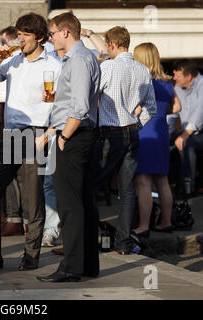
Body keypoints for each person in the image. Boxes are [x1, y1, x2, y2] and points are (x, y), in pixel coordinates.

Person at [0, 12, 61, 271]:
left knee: (33, 199)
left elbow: (57, 105)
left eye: (26, 34)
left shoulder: (53, 66)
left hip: (36, 133)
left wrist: (47, 134)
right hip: (11, 134)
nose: (21, 39)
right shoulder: (12, 61)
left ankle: (30, 254)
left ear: (38, 37)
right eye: (19, 34)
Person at [36, 11, 101, 283]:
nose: (50, 39)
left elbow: (80, 107)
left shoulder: (79, 59)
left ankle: (72, 267)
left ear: (65, 32)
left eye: (51, 33)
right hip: (77, 134)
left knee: (70, 203)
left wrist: (63, 136)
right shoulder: (79, 59)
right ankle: (85, 264)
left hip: (74, 135)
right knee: (83, 200)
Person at [85, 26, 157, 256]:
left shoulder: (108, 67)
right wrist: (137, 124)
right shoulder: (142, 69)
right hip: (131, 132)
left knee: (91, 186)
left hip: (110, 132)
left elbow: (89, 95)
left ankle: (87, 238)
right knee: (127, 190)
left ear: (112, 45)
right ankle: (123, 242)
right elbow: (151, 108)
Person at [133, 42, 182, 236]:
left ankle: (144, 226)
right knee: (162, 180)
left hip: (145, 131)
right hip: (161, 132)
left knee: (143, 181)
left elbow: (136, 108)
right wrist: (163, 111)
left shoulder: (143, 81)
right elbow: (177, 107)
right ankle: (166, 222)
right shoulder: (167, 81)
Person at [173, 59, 203, 195]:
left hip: (199, 132)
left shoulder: (202, 85)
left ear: (189, 77)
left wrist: (184, 135)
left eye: (177, 76)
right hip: (187, 132)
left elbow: (199, 114)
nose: (174, 79)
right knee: (168, 143)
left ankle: (188, 186)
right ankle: (173, 183)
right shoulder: (178, 87)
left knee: (187, 144)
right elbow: (173, 113)